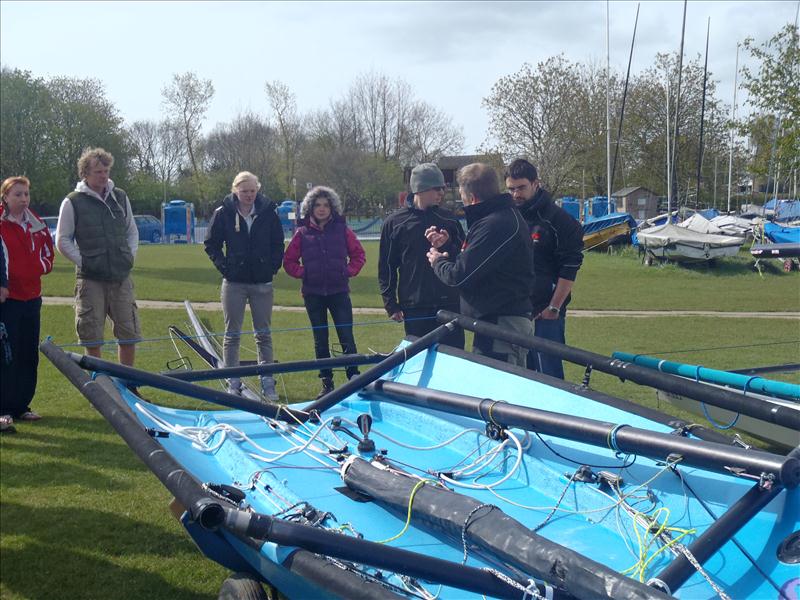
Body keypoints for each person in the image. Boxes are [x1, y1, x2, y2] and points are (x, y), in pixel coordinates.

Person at [427, 163, 534, 366]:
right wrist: (448, 245)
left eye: (463, 197)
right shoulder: (496, 219)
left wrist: (438, 261)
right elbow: (479, 263)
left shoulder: (497, 223)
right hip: (494, 323)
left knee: (498, 394)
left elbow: (460, 275)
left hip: (502, 325)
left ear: (472, 197)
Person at [56, 147, 141, 366]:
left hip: (121, 278)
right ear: (85, 173)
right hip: (91, 280)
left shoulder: (120, 196)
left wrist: (129, 257)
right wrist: (85, 263)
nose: (104, 176)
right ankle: (100, 387)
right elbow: (62, 240)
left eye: (106, 171)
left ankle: (128, 386)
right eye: (98, 172)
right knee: (92, 336)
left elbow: (132, 231)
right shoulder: (72, 201)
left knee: (128, 333)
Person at [205, 171, 284, 401]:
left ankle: (268, 382)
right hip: (234, 282)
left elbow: (278, 242)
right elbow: (211, 243)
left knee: (264, 334)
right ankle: (233, 381)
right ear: (235, 191)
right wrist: (225, 267)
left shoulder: (269, 212)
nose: (249, 195)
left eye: (252, 191)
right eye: (244, 191)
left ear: (257, 190)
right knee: (232, 333)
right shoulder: (223, 213)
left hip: (262, 281)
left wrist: (272, 267)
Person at [283, 186, 366, 398]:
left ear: (332, 208)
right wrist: (305, 273)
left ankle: (353, 377)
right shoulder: (302, 233)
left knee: (346, 335)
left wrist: (347, 271)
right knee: (320, 339)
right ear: (310, 207)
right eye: (317, 205)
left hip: (339, 292)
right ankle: (326, 382)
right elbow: (289, 261)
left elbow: (359, 255)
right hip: (313, 294)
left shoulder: (342, 230)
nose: (321, 209)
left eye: (326, 205)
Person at [505, 159, 584, 379]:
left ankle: (554, 414)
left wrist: (554, 307)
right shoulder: (509, 217)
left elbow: (570, 267)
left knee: (548, 377)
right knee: (518, 375)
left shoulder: (559, 220)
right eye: (511, 189)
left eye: (521, 188)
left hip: (545, 313)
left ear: (535, 184)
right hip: (514, 311)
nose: (515, 194)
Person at [378, 163, 465, 349]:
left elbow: (464, 257)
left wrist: (448, 244)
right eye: (436, 188)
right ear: (420, 188)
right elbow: (387, 266)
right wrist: (390, 303)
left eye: (443, 188)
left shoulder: (449, 220)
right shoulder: (394, 223)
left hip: (449, 303)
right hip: (415, 305)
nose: (441, 192)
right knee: (418, 362)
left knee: (454, 361)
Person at [0, 176, 55, 432]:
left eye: (26, 194)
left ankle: (22, 405)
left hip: (32, 298)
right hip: (7, 299)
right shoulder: (1, 224)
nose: (23, 199)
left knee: (27, 353)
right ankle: (3, 408)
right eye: (18, 195)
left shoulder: (37, 224)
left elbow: (48, 253)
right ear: (6, 198)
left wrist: (37, 268)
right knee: (6, 355)